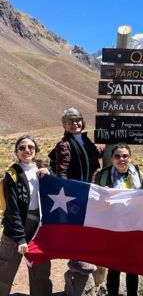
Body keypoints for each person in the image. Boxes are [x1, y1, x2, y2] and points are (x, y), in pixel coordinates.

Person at [0, 136, 53, 296]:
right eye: (22, 147)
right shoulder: (12, 174)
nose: (27, 150)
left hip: (39, 229)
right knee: (3, 271)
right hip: (15, 229)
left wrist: (51, 174)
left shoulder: (43, 171)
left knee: (40, 272)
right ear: (17, 151)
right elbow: (12, 209)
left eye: (31, 147)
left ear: (36, 150)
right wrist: (20, 237)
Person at [93, 143, 143, 296]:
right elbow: (95, 200)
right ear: (112, 158)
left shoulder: (139, 176)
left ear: (130, 157)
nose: (121, 159)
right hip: (112, 230)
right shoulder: (103, 176)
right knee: (114, 270)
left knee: (132, 269)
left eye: (125, 156)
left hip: (133, 229)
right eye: (117, 156)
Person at [48, 107, 102, 275]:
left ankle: (84, 256)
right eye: (69, 122)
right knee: (76, 225)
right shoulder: (64, 145)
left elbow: (93, 155)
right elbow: (61, 172)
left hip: (88, 189)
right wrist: (69, 195)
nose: (74, 124)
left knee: (86, 224)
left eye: (77, 120)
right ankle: (76, 260)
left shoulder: (86, 142)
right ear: (64, 125)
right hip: (73, 192)